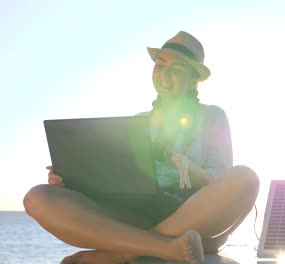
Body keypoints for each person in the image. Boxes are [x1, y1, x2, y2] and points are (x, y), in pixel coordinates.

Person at [23, 31, 259, 264]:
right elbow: (118, 179)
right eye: (160, 65)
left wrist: (190, 168)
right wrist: (75, 178)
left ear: (193, 81)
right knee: (37, 197)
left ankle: (124, 251)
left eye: (177, 70)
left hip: (195, 216)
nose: (165, 75)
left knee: (246, 178)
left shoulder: (212, 116)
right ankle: (163, 246)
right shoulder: (139, 121)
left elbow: (218, 185)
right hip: (139, 213)